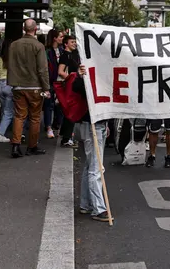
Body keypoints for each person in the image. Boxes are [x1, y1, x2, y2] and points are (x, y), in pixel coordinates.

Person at [7, 19, 50, 158]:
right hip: (35, 86)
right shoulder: (38, 46)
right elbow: (42, 69)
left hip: (18, 85)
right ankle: (32, 146)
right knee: (35, 117)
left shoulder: (14, 45)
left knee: (19, 116)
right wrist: (46, 87)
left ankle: (15, 145)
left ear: (24, 28)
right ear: (35, 28)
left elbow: (10, 65)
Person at [72, 64, 110, 222]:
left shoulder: (102, 69)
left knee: (91, 165)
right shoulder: (87, 68)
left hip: (97, 123)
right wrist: (81, 76)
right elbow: (78, 88)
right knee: (96, 168)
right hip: (91, 123)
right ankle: (98, 208)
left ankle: (86, 204)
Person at [58, 35, 80, 147]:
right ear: (66, 44)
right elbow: (60, 71)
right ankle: (66, 138)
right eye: (72, 42)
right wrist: (71, 79)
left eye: (75, 42)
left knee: (70, 111)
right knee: (71, 111)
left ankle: (65, 135)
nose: (74, 43)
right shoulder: (65, 56)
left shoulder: (74, 55)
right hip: (69, 86)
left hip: (73, 85)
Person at [44, 30, 64, 137]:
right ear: (55, 38)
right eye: (60, 37)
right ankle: (48, 126)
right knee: (48, 105)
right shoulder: (47, 51)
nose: (62, 38)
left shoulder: (61, 50)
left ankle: (57, 125)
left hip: (59, 81)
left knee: (59, 104)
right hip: (50, 82)